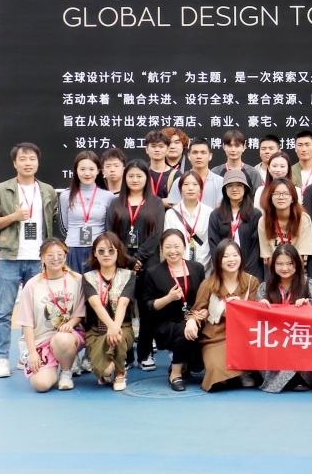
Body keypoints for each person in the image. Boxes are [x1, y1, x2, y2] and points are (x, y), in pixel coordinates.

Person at [104, 159, 166, 369]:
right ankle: (126, 354)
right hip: (121, 263)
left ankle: (145, 354)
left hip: (149, 264)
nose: (135, 179)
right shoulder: (116, 203)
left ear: (147, 178)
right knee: (123, 310)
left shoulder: (156, 203)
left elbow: (156, 234)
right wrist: (128, 259)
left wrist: (138, 258)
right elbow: (110, 233)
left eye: (139, 176)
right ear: (125, 178)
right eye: (131, 176)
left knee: (147, 311)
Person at [189, 239, 260, 392]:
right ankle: (235, 375)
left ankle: (240, 373)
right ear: (218, 260)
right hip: (215, 336)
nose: (231, 260)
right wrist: (191, 321)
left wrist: (240, 305)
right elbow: (196, 311)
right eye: (226, 256)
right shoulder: (208, 284)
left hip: (244, 334)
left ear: (241, 257)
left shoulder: (251, 282)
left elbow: (256, 311)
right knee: (216, 371)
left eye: (235, 255)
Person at [15, 238, 85, 392]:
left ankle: (66, 371)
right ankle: (55, 363)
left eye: (60, 254)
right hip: (42, 341)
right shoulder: (32, 285)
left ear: (65, 256)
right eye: (50, 255)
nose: (56, 258)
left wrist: (70, 324)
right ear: (42, 258)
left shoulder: (77, 279)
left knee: (62, 339)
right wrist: (32, 353)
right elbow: (27, 323)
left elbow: (80, 313)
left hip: (68, 337)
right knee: (41, 385)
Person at [143, 229, 206, 391]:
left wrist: (197, 316)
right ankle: (175, 373)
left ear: (184, 247)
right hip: (166, 323)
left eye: (177, 246)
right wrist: (168, 298)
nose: (173, 251)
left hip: (193, 318)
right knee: (183, 330)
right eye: (168, 247)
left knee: (198, 363)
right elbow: (148, 306)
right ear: (161, 249)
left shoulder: (197, 268)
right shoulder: (153, 272)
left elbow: (203, 298)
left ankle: (187, 363)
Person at [256, 244, 312, 392]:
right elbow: (255, 320)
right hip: (275, 337)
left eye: (289, 263)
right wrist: (260, 306)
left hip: (300, 336)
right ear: (273, 265)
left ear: (297, 264)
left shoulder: (307, 284)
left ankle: (299, 378)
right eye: (279, 264)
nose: (284, 268)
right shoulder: (265, 287)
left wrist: (309, 305)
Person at [82, 232, 135, 391]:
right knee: (104, 371)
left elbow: (123, 304)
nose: (106, 254)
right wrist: (111, 327)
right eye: (101, 251)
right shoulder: (88, 277)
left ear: (118, 252)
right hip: (96, 331)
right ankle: (107, 369)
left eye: (111, 251)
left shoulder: (128, 276)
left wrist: (114, 327)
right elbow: (96, 305)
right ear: (95, 253)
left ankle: (120, 373)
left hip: (122, 327)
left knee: (118, 338)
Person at [60, 150, 116, 273]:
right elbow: (64, 227)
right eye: (82, 169)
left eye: (91, 169)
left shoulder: (108, 196)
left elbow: (108, 227)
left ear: (98, 171)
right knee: (74, 284)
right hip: (73, 249)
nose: (87, 173)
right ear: (76, 171)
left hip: (98, 250)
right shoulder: (65, 195)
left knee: (96, 284)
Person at [206, 169, 263, 281]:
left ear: (245, 188)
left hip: (251, 272)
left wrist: (245, 273)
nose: (235, 189)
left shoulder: (255, 214)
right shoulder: (216, 215)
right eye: (230, 186)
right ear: (225, 190)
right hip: (224, 272)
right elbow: (214, 245)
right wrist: (225, 268)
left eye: (239, 185)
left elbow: (256, 247)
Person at [256, 176, 312, 272]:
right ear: (271, 198)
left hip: (297, 271)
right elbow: (267, 258)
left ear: (292, 198)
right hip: (274, 272)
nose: (281, 197)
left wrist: (287, 267)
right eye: (276, 194)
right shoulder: (263, 221)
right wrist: (281, 268)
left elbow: (302, 257)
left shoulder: (303, 219)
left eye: (286, 193)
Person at [164, 170, 213, 267]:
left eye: (195, 184)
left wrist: (200, 267)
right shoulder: (171, 214)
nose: (190, 188)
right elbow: (169, 242)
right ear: (180, 189)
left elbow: (209, 243)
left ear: (201, 188)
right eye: (186, 184)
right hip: (177, 267)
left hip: (204, 268)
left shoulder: (209, 213)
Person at [167, 139, 224, 209]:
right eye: (195, 152)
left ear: (210, 156)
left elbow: (222, 209)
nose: (199, 156)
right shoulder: (179, 181)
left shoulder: (220, 182)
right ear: (189, 156)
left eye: (203, 152)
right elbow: (175, 208)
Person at [289, 130, 312, 194]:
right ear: (295, 148)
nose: (304, 149)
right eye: (300, 145)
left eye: (307, 145)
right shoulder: (289, 172)